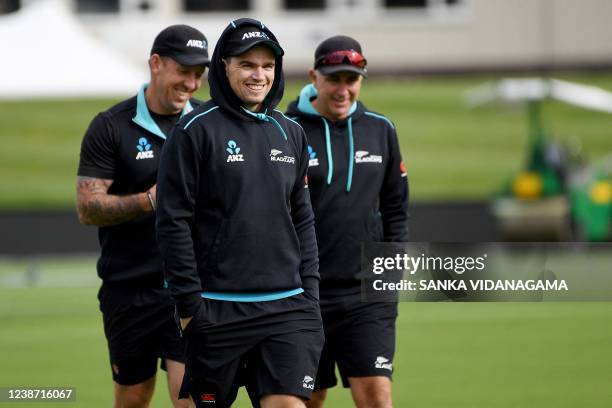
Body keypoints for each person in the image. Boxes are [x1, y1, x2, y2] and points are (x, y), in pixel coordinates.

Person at [155, 18, 324, 408]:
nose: (259, 75)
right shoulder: (193, 130)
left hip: (289, 306)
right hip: (217, 308)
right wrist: (190, 309)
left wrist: (310, 294)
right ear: (224, 67)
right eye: (247, 65)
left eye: (267, 66)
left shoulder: (291, 132)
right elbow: (172, 222)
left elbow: (303, 218)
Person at [76, 24, 209, 408]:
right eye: (184, 70)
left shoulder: (209, 123)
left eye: (199, 73)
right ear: (155, 63)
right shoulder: (110, 126)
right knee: (133, 399)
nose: (192, 82)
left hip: (192, 289)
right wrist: (151, 200)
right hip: (129, 291)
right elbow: (88, 208)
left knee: (193, 400)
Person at [286, 35, 409, 408]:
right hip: (304, 293)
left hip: (367, 295)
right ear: (314, 76)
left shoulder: (381, 129)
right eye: (334, 78)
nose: (343, 89)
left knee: (376, 397)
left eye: (351, 80)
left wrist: (391, 270)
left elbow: (396, 208)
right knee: (308, 398)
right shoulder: (286, 129)